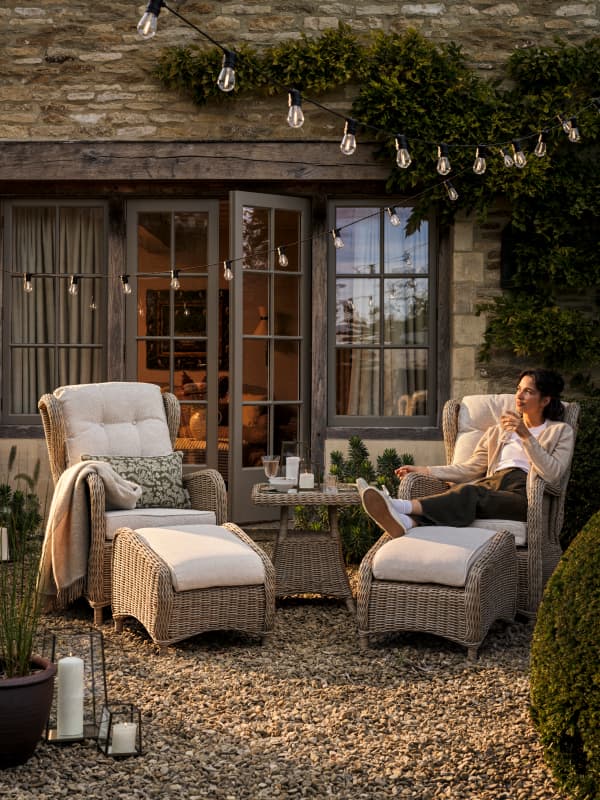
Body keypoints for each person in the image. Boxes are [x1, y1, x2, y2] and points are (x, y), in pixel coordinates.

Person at [357, 368, 575, 538]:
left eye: (528, 391)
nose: (519, 395)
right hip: (492, 485)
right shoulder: (498, 432)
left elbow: (553, 474)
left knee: (470, 493)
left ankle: (398, 505)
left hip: (524, 494)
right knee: (468, 492)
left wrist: (525, 435)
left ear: (545, 400)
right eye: (519, 389)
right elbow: (469, 468)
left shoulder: (560, 431)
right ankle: (407, 522)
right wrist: (423, 469)